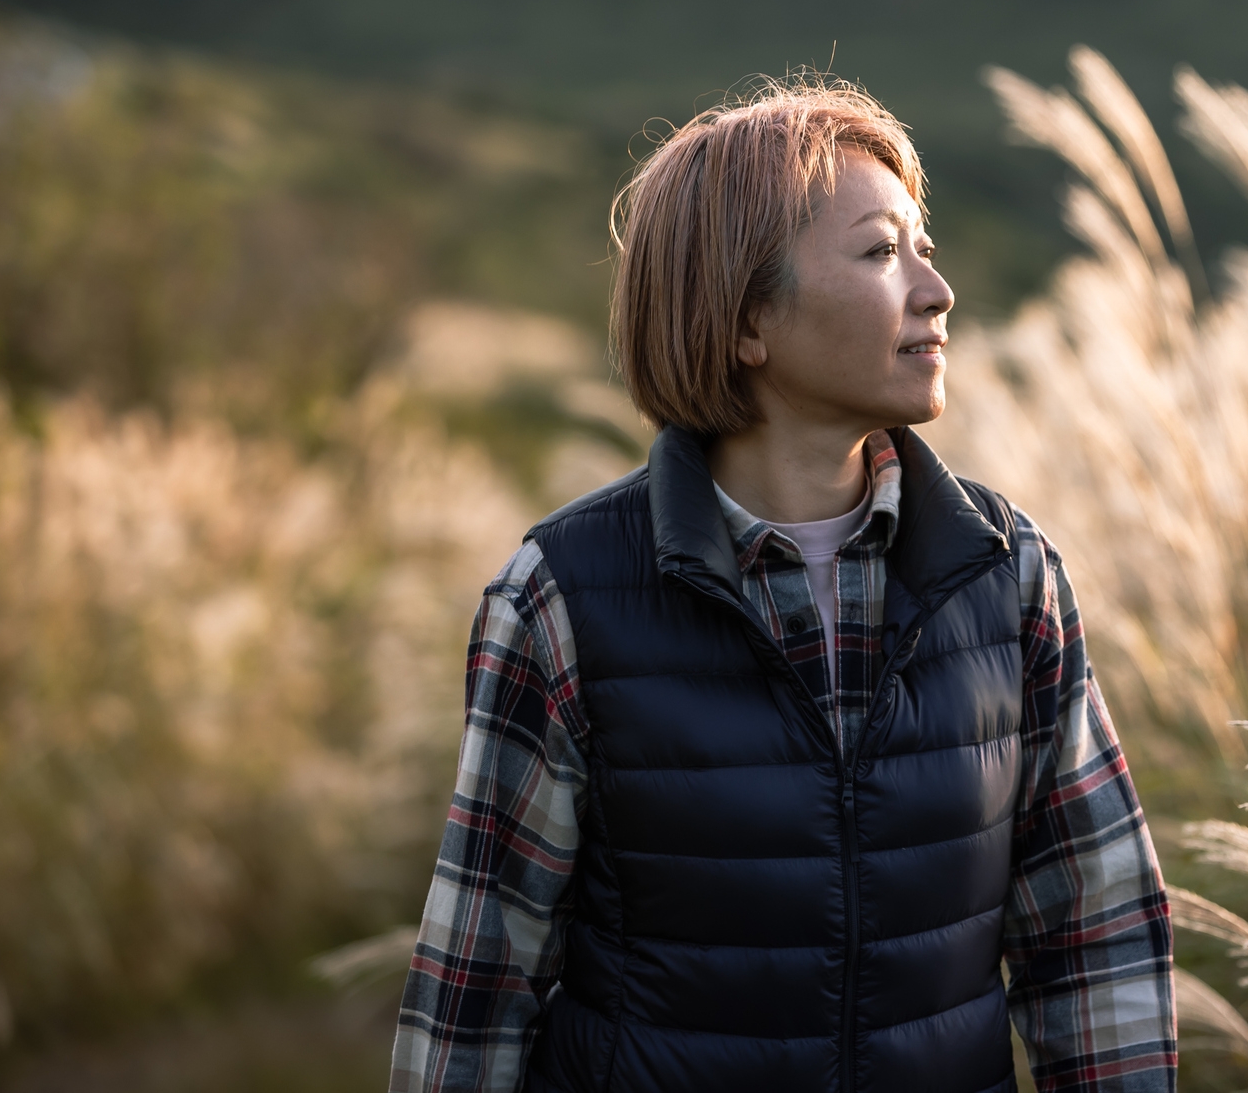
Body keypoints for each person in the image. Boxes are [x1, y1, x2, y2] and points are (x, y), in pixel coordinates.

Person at [388, 79, 1176, 1093]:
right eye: (882, 252)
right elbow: (477, 986)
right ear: (748, 315)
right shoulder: (563, 599)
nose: (936, 291)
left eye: (922, 248)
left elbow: (1095, 936)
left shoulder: (1008, 574)